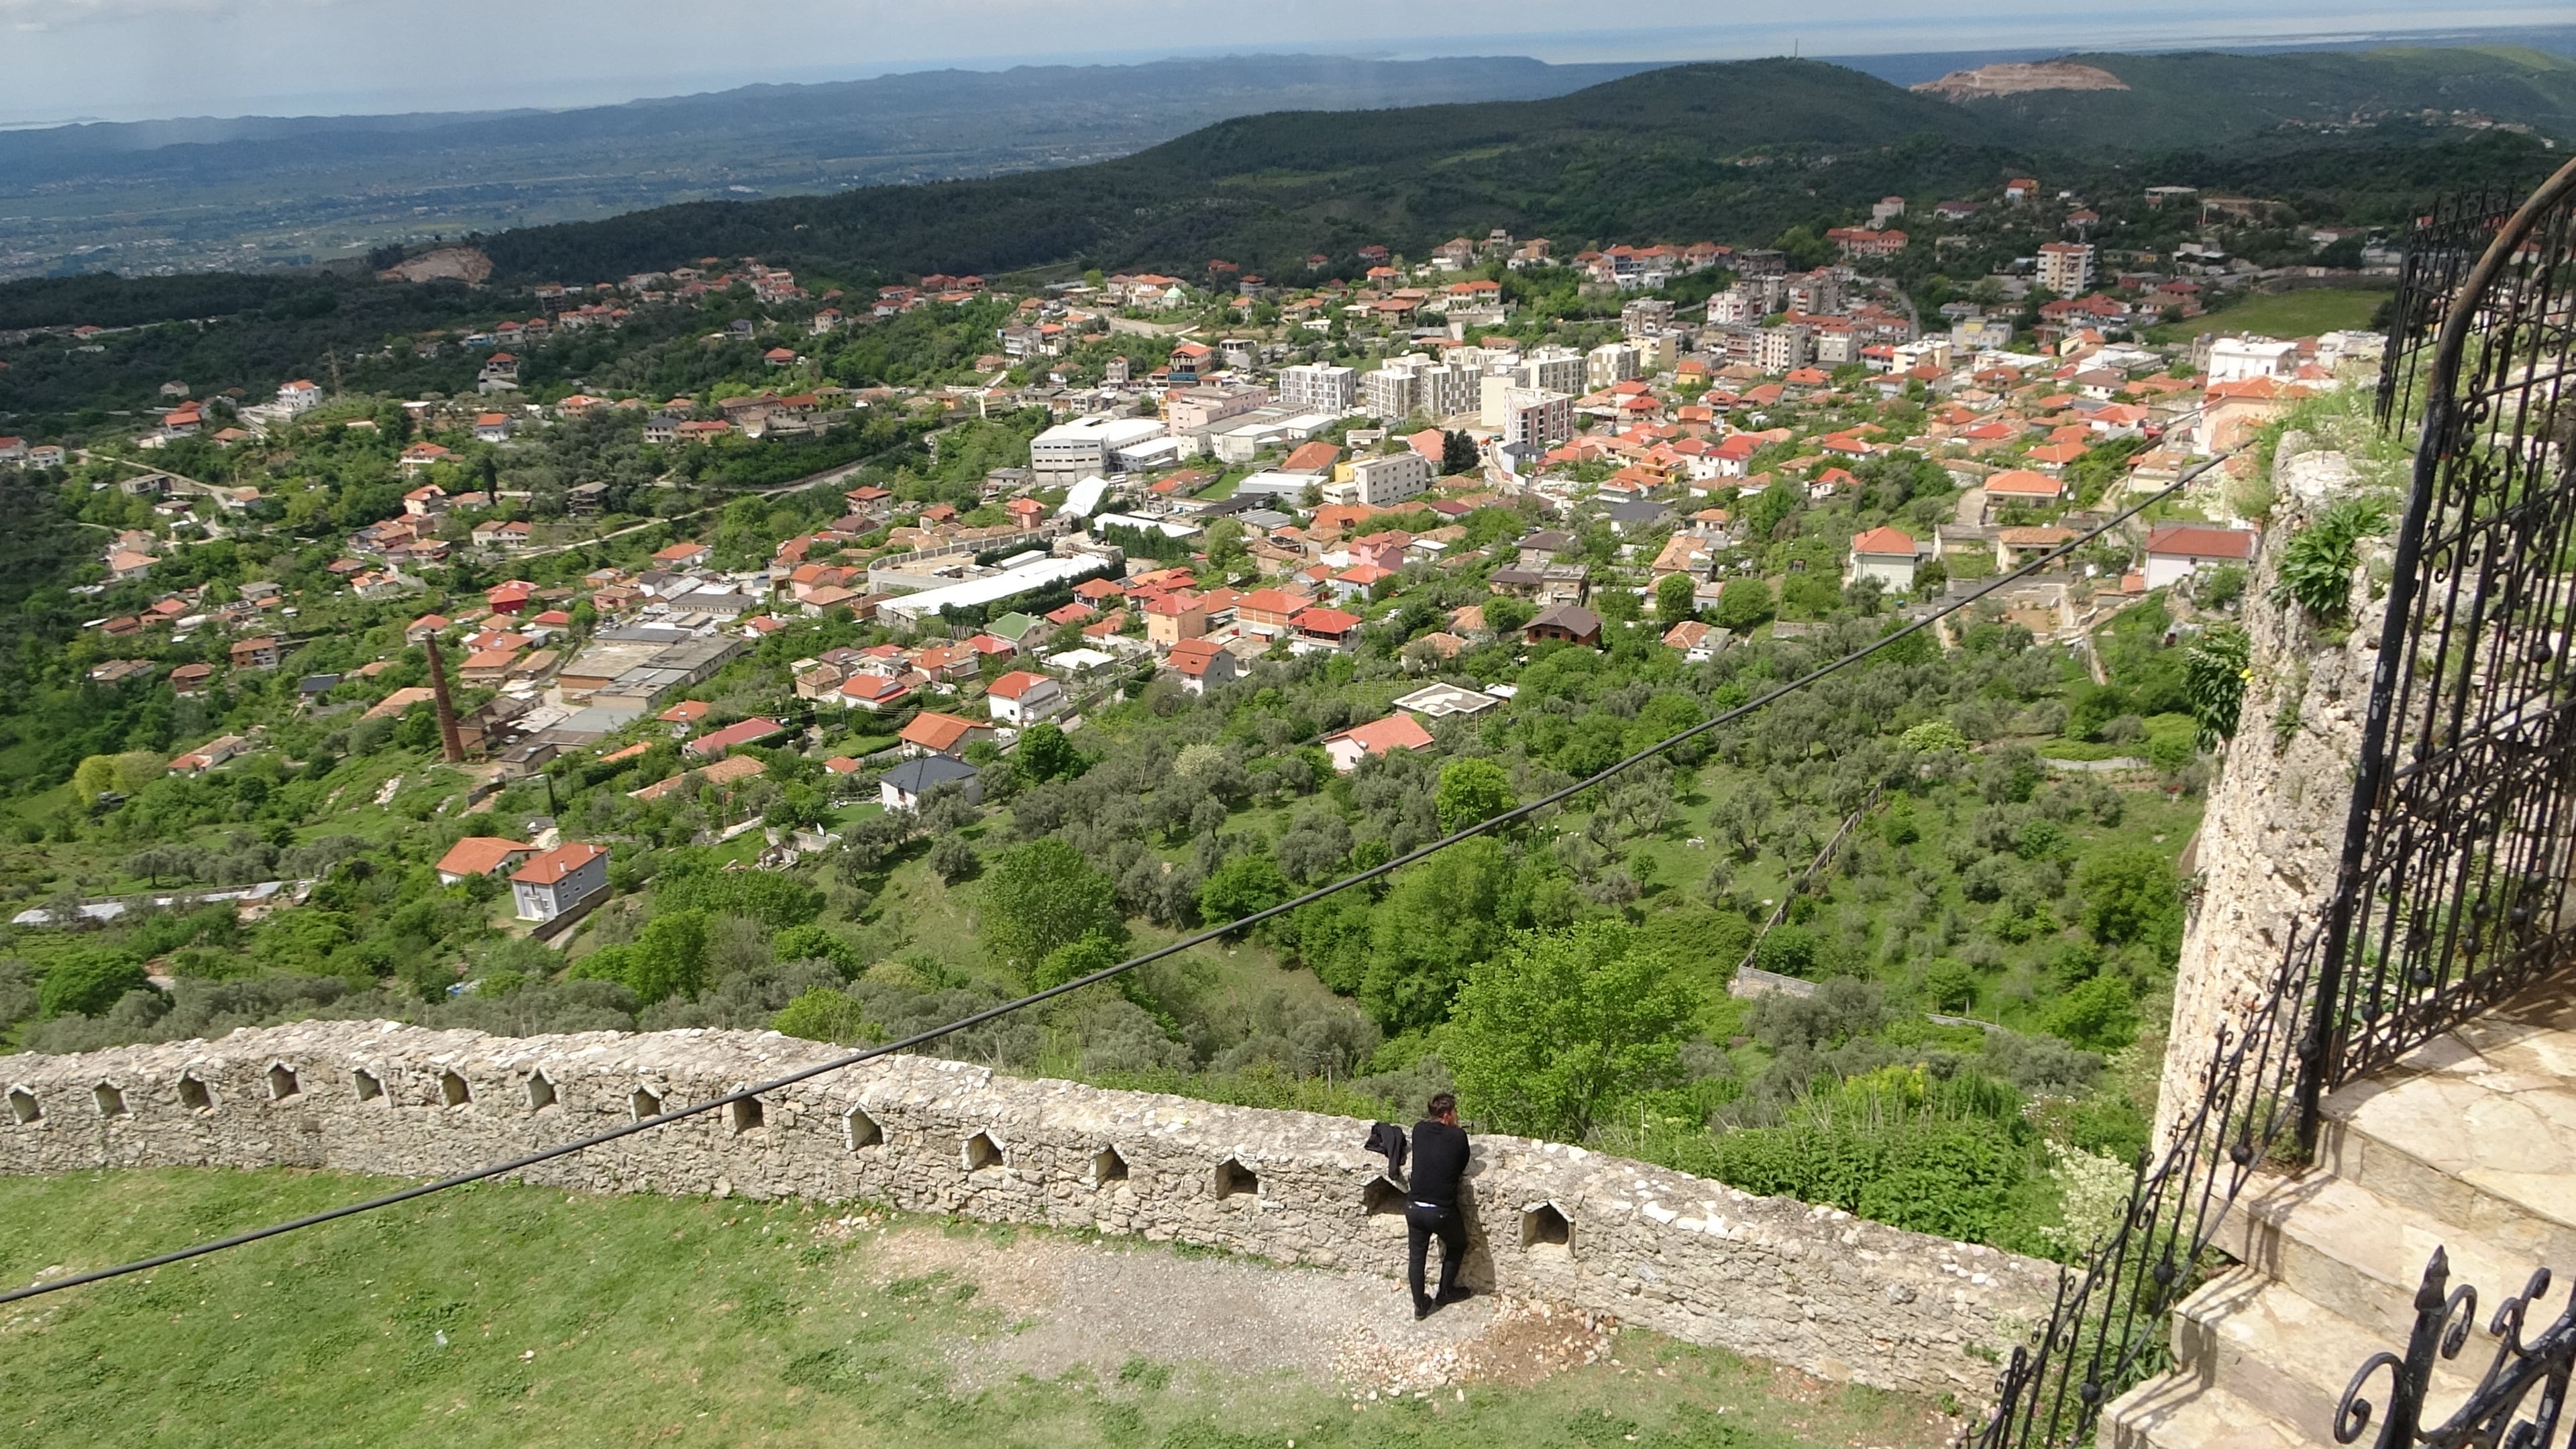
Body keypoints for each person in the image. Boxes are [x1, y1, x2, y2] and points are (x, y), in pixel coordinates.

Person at [1405, 1091, 1472, 1320]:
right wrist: (1456, 1129)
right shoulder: (1459, 1137)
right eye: (1454, 1112)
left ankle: (1420, 1306)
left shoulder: (1418, 1130)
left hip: (1413, 1207)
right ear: (1446, 1115)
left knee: (1417, 1257)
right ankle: (1445, 1291)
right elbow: (1462, 1164)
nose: (1456, 1116)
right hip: (1440, 1211)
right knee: (1458, 1243)